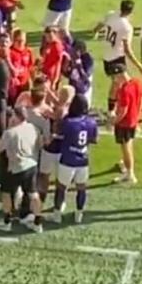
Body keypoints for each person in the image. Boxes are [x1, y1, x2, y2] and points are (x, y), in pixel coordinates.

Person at [0, 106, 43, 233]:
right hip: (31, 165)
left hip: (15, 168)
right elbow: (40, 145)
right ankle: (38, 223)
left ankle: (7, 222)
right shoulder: (34, 128)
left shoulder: (10, 133)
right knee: (33, 194)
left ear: (16, 117)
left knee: (6, 193)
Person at [93, 0, 142, 119]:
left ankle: (112, 110)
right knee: (128, 85)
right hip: (115, 59)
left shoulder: (111, 14)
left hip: (108, 57)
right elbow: (127, 49)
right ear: (131, 12)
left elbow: (100, 25)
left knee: (116, 84)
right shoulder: (127, 27)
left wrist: (95, 31)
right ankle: (125, 111)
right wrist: (139, 66)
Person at [53, 94, 98, 224]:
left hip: (67, 159)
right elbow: (94, 140)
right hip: (83, 160)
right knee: (81, 188)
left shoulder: (68, 122)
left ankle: (57, 214)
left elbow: (58, 132)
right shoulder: (91, 122)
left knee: (61, 187)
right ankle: (79, 214)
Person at [111, 64, 142, 184]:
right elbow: (141, 101)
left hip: (124, 124)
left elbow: (123, 111)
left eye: (115, 76)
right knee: (129, 145)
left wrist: (113, 121)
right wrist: (137, 117)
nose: (115, 79)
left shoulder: (124, 90)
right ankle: (127, 167)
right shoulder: (137, 83)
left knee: (126, 148)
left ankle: (130, 173)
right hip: (133, 120)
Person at [8, 28, 35, 104]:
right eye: (18, 40)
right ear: (13, 40)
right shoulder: (9, 52)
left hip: (25, 84)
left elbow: (31, 68)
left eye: (22, 40)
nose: (20, 43)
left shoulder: (29, 52)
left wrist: (33, 82)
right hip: (13, 86)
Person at [66, 40, 94, 109]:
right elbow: (70, 74)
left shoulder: (88, 59)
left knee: (81, 107)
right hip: (73, 87)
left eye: (73, 50)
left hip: (83, 89)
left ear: (79, 50)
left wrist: (78, 64)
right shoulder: (73, 58)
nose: (71, 52)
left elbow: (85, 76)